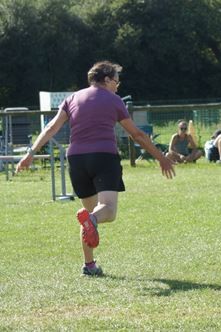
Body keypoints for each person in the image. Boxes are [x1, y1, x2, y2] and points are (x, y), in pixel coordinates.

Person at [15, 61, 175, 276]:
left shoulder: (71, 98)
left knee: (90, 213)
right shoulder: (114, 100)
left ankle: (89, 265)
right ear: (107, 80)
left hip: (76, 159)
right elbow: (136, 134)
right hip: (103, 156)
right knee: (107, 211)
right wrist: (161, 157)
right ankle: (91, 221)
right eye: (116, 80)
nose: (118, 85)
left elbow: (52, 126)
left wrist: (30, 152)